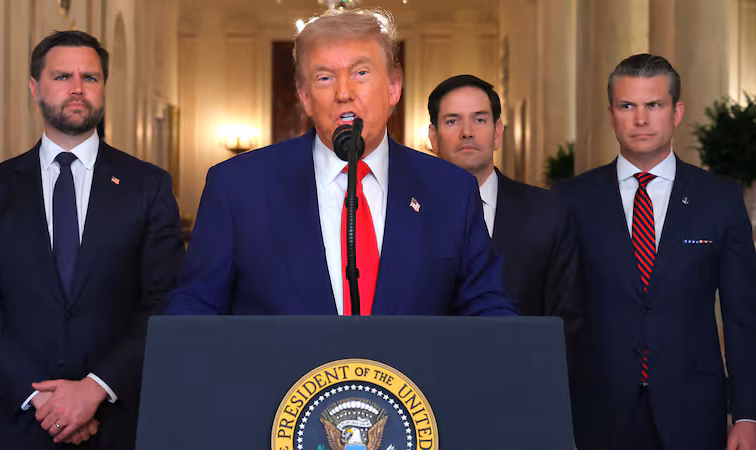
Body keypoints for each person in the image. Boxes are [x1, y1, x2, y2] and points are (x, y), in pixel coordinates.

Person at [165, 9, 515, 317]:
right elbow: (195, 306)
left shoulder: (450, 190)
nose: (344, 92)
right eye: (324, 78)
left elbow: (486, 307)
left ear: (394, 87)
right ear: (304, 96)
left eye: (361, 73)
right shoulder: (237, 187)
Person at [0, 30, 184, 449]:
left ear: (102, 88)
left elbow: (164, 300)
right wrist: (43, 400)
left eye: (90, 78)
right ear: (34, 88)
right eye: (62, 77)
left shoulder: (147, 186)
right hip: (20, 420)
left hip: (119, 420)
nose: (77, 88)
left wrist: (95, 389)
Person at [554, 54, 756, 450]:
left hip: (694, 410)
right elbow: (559, 312)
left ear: (676, 112)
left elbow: (743, 317)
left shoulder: (719, 199)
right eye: (627, 106)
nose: (640, 119)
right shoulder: (570, 200)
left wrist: (748, 414)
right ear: (611, 114)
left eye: (654, 105)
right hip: (595, 412)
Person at [427, 74, 580, 331]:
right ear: (433, 136)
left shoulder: (548, 212)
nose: (467, 132)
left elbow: (567, 321)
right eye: (452, 121)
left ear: (498, 133)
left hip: (524, 367)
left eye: (480, 119)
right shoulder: (407, 212)